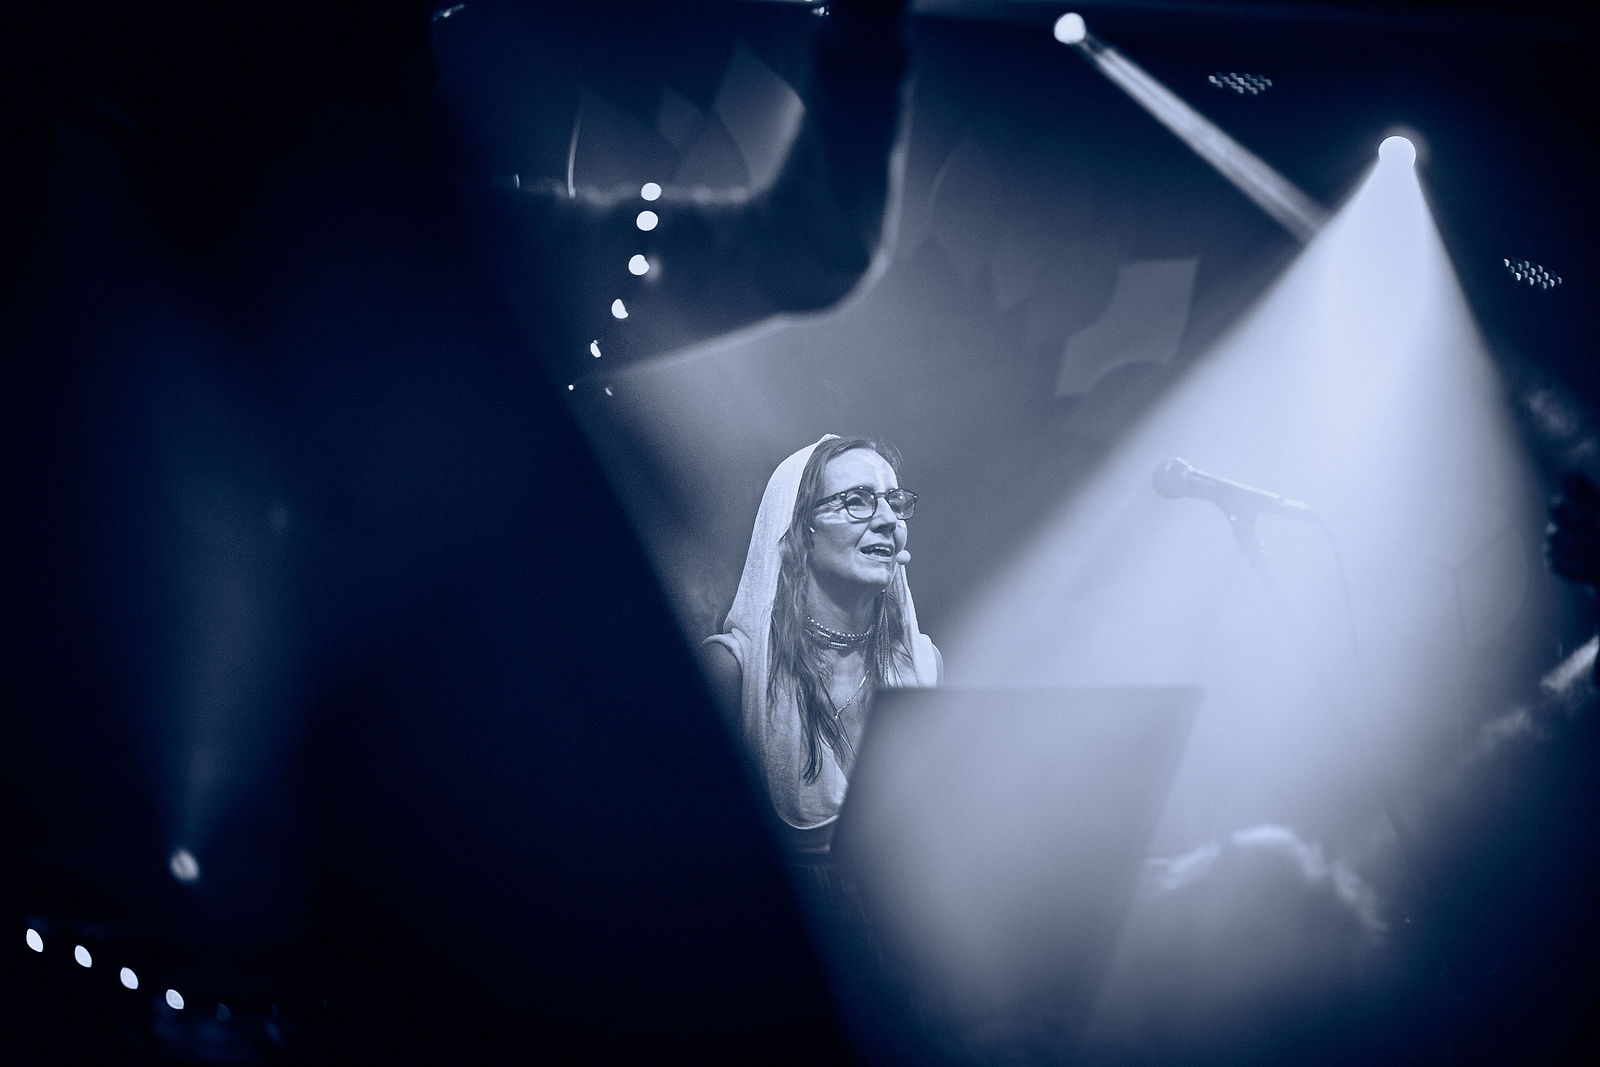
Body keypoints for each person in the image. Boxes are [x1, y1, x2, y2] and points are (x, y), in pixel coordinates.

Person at [702, 435, 942, 851]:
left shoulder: (924, 664)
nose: (889, 519)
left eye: (894, 501)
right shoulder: (732, 670)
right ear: (801, 528)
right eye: (857, 501)